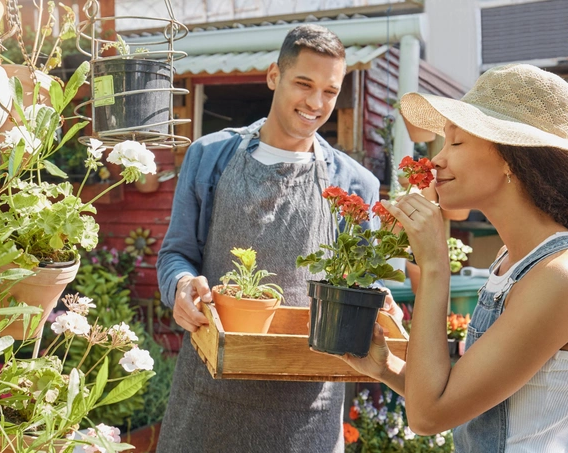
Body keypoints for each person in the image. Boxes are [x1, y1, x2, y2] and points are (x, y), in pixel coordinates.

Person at [341, 64, 568, 452]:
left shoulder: (567, 275)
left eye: (456, 144)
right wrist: (386, 368)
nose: (437, 161)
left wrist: (434, 267)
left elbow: (428, 417)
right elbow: (461, 397)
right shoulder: (514, 261)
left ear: (512, 158)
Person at [155, 24, 398, 452]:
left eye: (329, 90)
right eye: (304, 84)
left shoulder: (355, 185)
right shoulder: (209, 157)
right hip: (209, 396)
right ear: (274, 76)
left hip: (307, 409)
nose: (315, 102)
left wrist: (377, 301)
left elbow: (357, 284)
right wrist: (180, 286)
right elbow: (177, 254)